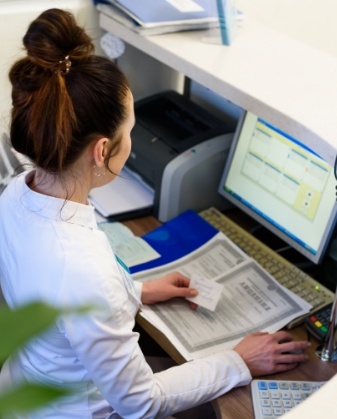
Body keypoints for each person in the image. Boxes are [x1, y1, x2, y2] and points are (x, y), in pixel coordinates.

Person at [0, 8, 311, 419]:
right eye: (128, 131)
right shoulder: (84, 270)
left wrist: (139, 291)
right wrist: (238, 361)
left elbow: (58, 298)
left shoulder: (17, 193)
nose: (131, 141)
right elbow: (141, 403)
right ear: (101, 150)